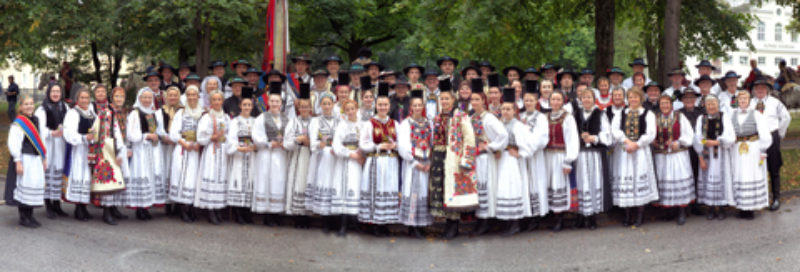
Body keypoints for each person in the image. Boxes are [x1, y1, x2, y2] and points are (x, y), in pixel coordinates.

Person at [428, 79, 477, 240]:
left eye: (447, 98)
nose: (444, 101)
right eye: (441, 99)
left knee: (453, 190)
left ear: (453, 100)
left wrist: (466, 160)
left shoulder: (461, 116)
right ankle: (447, 224)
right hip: (438, 157)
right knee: (443, 190)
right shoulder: (437, 118)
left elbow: (470, 138)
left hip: (453, 158)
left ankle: (453, 225)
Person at [610, 88, 658, 227]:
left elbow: (650, 133)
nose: (633, 100)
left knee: (638, 181)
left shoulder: (648, 114)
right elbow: (615, 130)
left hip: (641, 152)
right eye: (630, 97)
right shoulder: (621, 113)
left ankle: (639, 215)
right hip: (624, 151)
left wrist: (637, 144)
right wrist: (627, 142)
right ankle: (627, 215)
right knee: (627, 181)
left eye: (636, 97)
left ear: (641, 98)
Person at [358, 83, 401, 236]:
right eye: (380, 104)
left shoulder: (395, 124)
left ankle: (384, 222)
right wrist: (378, 146)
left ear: (389, 106)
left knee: (388, 189)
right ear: (376, 105)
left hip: (390, 162)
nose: (383, 107)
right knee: (375, 191)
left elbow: (401, 144)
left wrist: (395, 145)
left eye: (385, 104)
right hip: (375, 161)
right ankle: (372, 223)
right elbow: (363, 144)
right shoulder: (369, 123)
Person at [495, 87, 534, 236]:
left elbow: (529, 146)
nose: (505, 112)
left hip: (512, 161)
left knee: (513, 189)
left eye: (508, 109)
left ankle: (515, 223)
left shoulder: (519, 126)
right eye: (503, 109)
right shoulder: (499, 124)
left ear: (514, 111)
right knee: (503, 190)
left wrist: (520, 153)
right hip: (502, 160)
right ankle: (506, 222)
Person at [749, 77, 792, 211]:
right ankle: (759, 198)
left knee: (774, 168)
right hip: (755, 139)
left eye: (763, 87)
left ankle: (776, 198)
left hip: (772, 137)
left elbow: (786, 117)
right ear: (754, 90)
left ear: (767, 89)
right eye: (757, 88)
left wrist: (779, 134)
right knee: (756, 169)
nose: (760, 90)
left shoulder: (775, 103)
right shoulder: (749, 104)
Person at [652, 95, 695, 225]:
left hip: (678, 155)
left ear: (671, 104)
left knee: (677, 179)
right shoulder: (655, 118)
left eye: (667, 103)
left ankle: (681, 210)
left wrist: (679, 142)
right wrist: (652, 141)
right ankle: (668, 210)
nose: (664, 106)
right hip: (661, 155)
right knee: (666, 181)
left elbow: (689, 134)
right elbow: (649, 132)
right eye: (662, 103)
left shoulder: (679, 116)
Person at [469, 91, 508, 235]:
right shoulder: (471, 117)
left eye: (477, 99)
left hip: (485, 158)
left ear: (483, 101)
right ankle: (481, 218)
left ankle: (486, 220)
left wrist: (491, 146)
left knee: (486, 186)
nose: (474, 102)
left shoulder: (489, 117)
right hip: (474, 158)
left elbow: (503, 134)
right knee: (478, 188)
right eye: (472, 100)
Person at [396, 90, 434, 238]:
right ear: (411, 107)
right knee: (413, 192)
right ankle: (412, 226)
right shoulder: (406, 123)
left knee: (424, 193)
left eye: (420, 105)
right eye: (415, 105)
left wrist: (430, 161)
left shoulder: (428, 122)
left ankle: (421, 223)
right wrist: (413, 162)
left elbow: (433, 142)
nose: (417, 108)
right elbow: (403, 145)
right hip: (413, 164)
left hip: (426, 163)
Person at [729, 91, 771, 219]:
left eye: (745, 99)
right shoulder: (732, 114)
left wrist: (763, 150)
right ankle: (742, 207)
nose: (742, 101)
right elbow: (729, 132)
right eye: (740, 99)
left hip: (752, 147)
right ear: (737, 100)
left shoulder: (756, 114)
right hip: (737, 148)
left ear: (749, 100)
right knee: (740, 175)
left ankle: (751, 208)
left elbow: (764, 133)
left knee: (751, 174)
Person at [573, 88, 612, 230]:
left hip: (594, 154)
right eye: (584, 97)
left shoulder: (600, 114)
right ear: (581, 100)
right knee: (581, 183)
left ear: (594, 99)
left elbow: (608, 134)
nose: (587, 100)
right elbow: (570, 133)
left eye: (589, 97)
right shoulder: (575, 114)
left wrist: (594, 138)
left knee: (593, 182)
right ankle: (581, 215)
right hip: (580, 154)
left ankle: (593, 216)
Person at [252, 84, 290, 226]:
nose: (275, 104)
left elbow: (290, 135)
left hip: (280, 155)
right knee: (266, 180)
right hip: (266, 154)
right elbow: (256, 136)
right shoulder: (261, 118)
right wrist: (268, 143)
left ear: (281, 103)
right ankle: (267, 214)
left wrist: (285, 143)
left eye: (277, 101)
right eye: (272, 101)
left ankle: (276, 212)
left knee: (278, 181)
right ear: (268, 102)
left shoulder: (286, 119)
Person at [8, 94, 47, 228]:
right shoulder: (19, 123)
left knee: (34, 185)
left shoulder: (35, 119)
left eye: (31, 103)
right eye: (26, 104)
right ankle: (23, 217)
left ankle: (30, 215)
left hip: (35, 158)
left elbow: (40, 139)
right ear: (21, 107)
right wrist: (18, 161)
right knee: (24, 185)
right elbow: (14, 143)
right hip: (25, 158)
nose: (29, 106)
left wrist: (43, 158)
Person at [124, 88, 163, 221]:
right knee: (142, 175)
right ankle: (140, 208)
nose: (147, 100)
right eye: (144, 97)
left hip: (150, 150)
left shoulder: (153, 113)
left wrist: (157, 135)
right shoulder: (135, 113)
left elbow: (157, 130)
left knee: (150, 176)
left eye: (149, 97)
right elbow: (131, 134)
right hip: (140, 149)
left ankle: (146, 206)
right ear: (139, 98)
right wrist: (146, 136)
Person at [694, 95, 735, 220]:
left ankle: (721, 207)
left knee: (721, 179)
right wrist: (700, 157)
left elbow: (731, 135)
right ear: (705, 106)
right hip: (706, 154)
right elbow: (697, 138)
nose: (711, 106)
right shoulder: (701, 118)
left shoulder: (724, 117)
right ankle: (711, 208)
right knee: (708, 180)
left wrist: (717, 142)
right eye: (709, 104)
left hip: (720, 153)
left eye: (713, 104)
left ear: (718, 105)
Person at [544, 91, 579, 231]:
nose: (556, 102)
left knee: (559, 185)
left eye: (558, 99)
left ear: (562, 101)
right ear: (549, 101)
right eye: (553, 99)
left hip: (560, 156)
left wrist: (568, 161)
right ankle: (553, 216)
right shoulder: (544, 117)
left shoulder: (568, 118)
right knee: (550, 185)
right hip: (547, 156)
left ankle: (560, 218)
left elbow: (572, 140)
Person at [168, 85, 204, 223]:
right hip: (183, 148)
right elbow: (173, 132)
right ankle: (182, 209)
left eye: (194, 95)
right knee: (182, 177)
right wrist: (183, 143)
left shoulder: (203, 113)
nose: (191, 97)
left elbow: (206, 131)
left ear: (198, 96)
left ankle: (191, 208)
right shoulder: (180, 113)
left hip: (195, 149)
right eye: (189, 95)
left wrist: (199, 143)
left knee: (193, 178)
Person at [306, 91, 341, 231]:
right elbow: (313, 140)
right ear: (320, 105)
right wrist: (318, 144)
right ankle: (324, 220)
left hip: (335, 156)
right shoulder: (315, 121)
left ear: (333, 105)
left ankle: (334, 219)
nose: (327, 106)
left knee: (334, 185)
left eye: (329, 103)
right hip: (322, 156)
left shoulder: (339, 121)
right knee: (323, 183)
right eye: (324, 104)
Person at [34, 84, 70, 218]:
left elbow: (69, 123)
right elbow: (40, 127)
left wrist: (64, 131)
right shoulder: (42, 109)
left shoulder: (64, 107)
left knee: (58, 172)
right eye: (53, 91)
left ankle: (57, 204)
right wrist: (51, 133)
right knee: (49, 172)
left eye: (58, 91)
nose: (55, 94)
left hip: (60, 143)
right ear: (48, 92)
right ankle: (48, 204)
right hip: (48, 143)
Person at [329, 99, 364, 236]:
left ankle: (355, 221)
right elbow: (336, 145)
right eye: (347, 109)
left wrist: (362, 155)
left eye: (352, 108)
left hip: (358, 161)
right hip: (346, 161)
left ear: (357, 109)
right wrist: (350, 154)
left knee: (356, 188)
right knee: (344, 188)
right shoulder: (342, 126)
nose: (350, 112)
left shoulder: (363, 124)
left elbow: (366, 142)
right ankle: (342, 224)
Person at [195, 91, 230, 225]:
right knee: (212, 176)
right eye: (214, 99)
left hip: (223, 150)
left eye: (219, 99)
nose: (216, 102)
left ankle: (218, 208)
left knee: (221, 177)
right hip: (211, 151)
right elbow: (200, 137)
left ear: (222, 101)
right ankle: (210, 210)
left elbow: (231, 134)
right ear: (210, 102)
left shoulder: (226, 117)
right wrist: (211, 137)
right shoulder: (206, 117)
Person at [519, 80, 549, 231]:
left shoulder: (541, 117)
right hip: (523, 157)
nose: (528, 102)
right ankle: (526, 214)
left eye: (531, 100)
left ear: (536, 101)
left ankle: (536, 216)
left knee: (535, 183)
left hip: (535, 155)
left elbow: (542, 137)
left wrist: (528, 149)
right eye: (526, 100)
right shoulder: (520, 116)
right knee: (525, 184)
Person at [63, 89, 96, 221]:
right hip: (78, 150)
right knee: (79, 175)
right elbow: (68, 133)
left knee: (87, 178)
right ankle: (78, 208)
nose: (84, 100)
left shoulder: (92, 113)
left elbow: (97, 129)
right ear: (77, 99)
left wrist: (94, 137)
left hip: (90, 150)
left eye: (86, 97)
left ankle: (84, 206)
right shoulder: (73, 113)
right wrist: (83, 138)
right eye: (82, 98)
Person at [284, 83, 314, 227]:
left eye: (307, 107)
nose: (304, 109)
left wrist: (310, 142)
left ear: (311, 108)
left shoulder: (315, 122)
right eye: (302, 107)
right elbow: (286, 143)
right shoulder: (293, 122)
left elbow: (320, 141)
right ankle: (297, 215)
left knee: (307, 182)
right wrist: (297, 140)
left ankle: (307, 215)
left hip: (310, 157)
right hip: (297, 156)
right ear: (298, 108)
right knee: (297, 182)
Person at [225, 89, 257, 224]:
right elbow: (230, 140)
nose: (247, 107)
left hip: (251, 157)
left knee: (249, 182)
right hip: (238, 156)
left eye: (249, 105)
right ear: (240, 106)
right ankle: (238, 213)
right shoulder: (234, 122)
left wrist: (255, 146)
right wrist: (238, 148)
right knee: (238, 182)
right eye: (244, 105)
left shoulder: (256, 121)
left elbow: (259, 138)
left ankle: (247, 212)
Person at [156, 86, 182, 211]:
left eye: (175, 95)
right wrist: (165, 137)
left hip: (178, 146)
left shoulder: (183, 111)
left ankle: (177, 202)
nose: (172, 97)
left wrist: (177, 139)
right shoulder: (160, 111)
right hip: (165, 146)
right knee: (166, 170)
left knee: (177, 172)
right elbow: (158, 127)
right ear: (166, 97)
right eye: (170, 95)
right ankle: (167, 203)